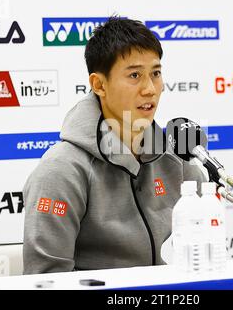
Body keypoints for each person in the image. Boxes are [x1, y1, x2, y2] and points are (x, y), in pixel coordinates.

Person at [23, 16, 207, 274]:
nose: (150, 89)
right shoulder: (61, 170)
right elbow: (46, 280)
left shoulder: (177, 160)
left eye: (155, 73)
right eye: (134, 75)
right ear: (99, 85)